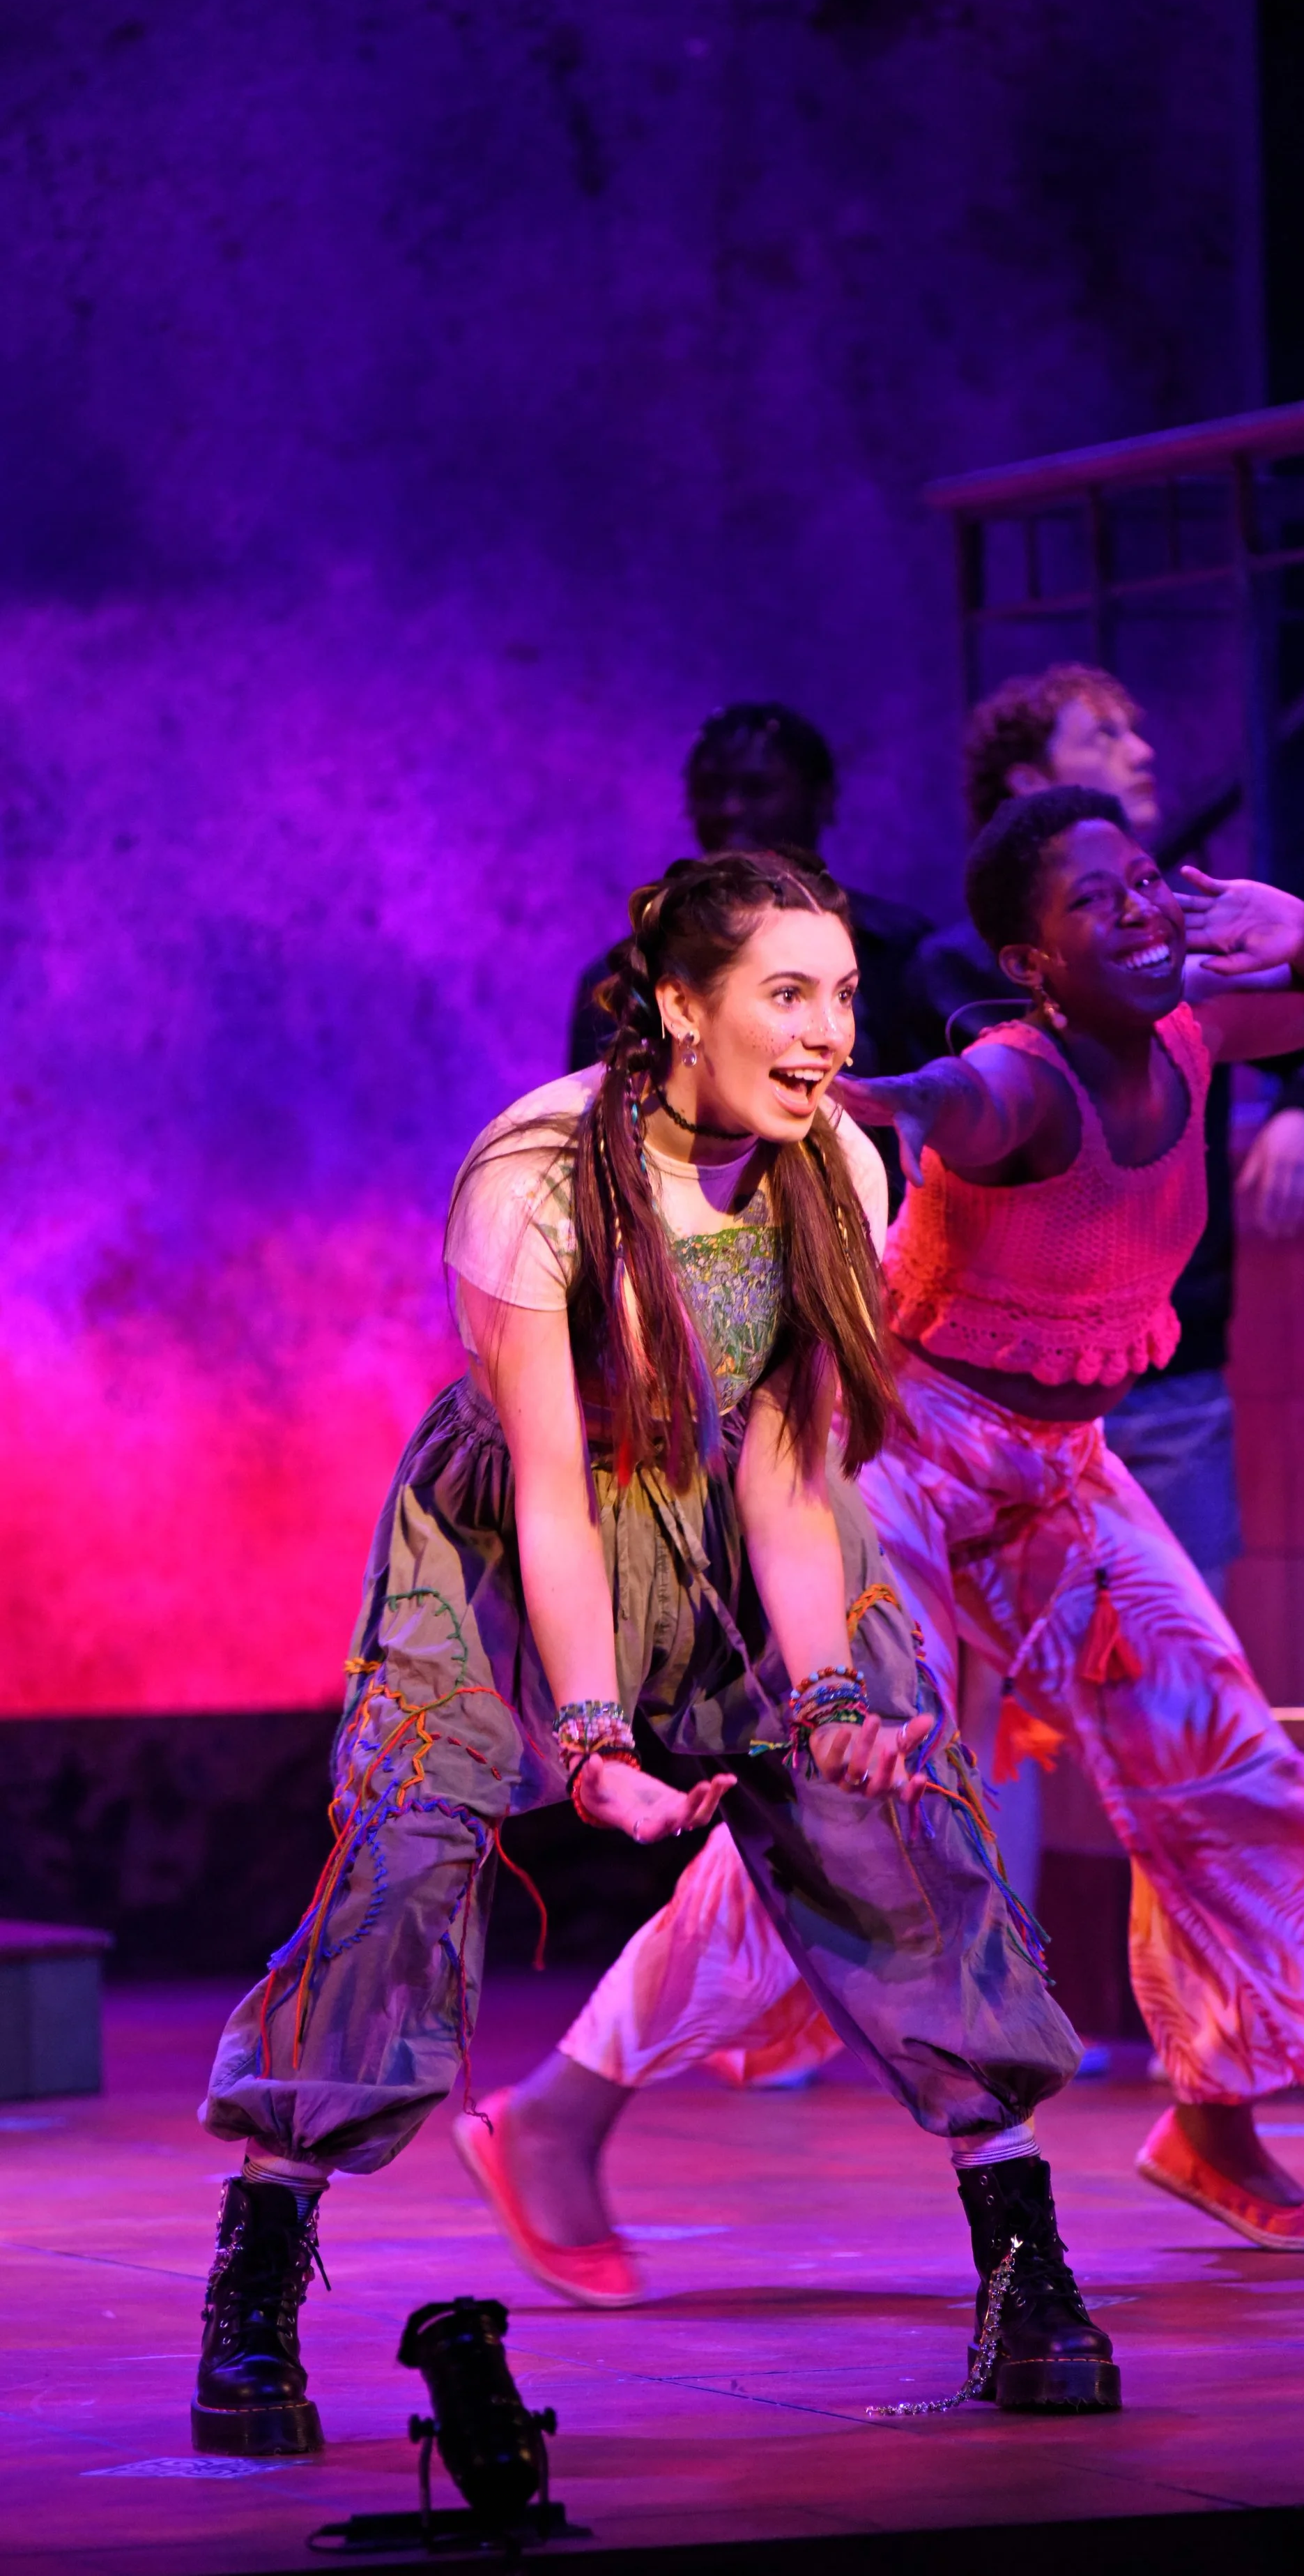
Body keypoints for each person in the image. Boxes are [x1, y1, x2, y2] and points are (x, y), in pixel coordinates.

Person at [192, 849, 1116, 2457]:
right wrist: (596, 1740)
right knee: (400, 1868)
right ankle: (257, 2277)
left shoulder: (838, 1162)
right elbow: (555, 1485)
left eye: (842, 993)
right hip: (509, 1540)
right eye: (786, 994)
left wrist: (828, 1697)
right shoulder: (537, 1175)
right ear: (683, 1007)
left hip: (740, 1528)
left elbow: (788, 1464)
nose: (831, 1028)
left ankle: (1027, 2262)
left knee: (903, 1834)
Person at [488, 795, 1304, 2279]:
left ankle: (1211, 2116)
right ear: (1031, 959)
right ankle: (555, 2113)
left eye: (1145, 882)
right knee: (846, 1811)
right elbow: (922, 1099)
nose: (1142, 912)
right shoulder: (1013, 1081)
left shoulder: (1194, 1030)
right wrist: (809, 1089)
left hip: (1053, 1468)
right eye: (1099, 903)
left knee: (1213, 1750)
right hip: (887, 1459)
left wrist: (1303, 925)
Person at [934, 662, 1304, 1608]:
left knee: (1177, 1667)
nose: (1144, 752)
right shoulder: (951, 974)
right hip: (1005, 1390)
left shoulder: (1174, 953)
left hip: (1168, 1369)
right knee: (1007, 1689)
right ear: (1025, 778)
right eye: (1105, 737)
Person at [569, 703, 932, 1198]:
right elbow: (596, 1126)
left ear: (821, 799)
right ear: (677, 1003)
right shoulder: (628, 970)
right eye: (712, 791)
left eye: (758, 789)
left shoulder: (901, 951)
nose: (732, 809)